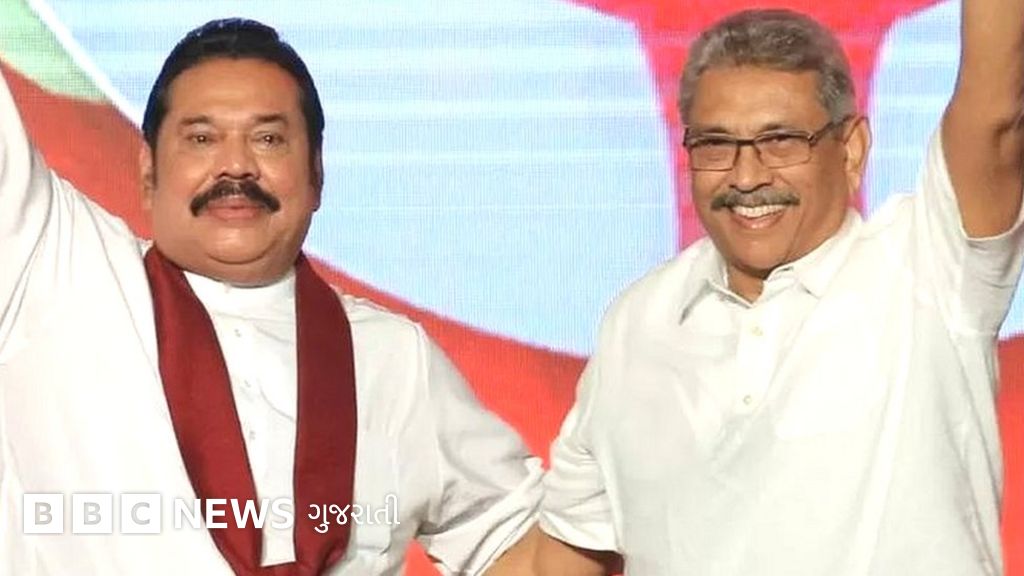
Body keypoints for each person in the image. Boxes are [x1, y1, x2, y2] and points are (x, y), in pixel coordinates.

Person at [0, 18, 542, 576]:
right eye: (202, 138)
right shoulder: (53, 270)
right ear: (147, 171)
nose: (236, 165)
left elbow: (521, 547)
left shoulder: (396, 360)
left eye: (268, 139)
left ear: (317, 174)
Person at [535, 1, 1024, 574]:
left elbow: (995, 116)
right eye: (716, 144)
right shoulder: (637, 323)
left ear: (851, 150)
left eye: (782, 141)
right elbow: (568, 551)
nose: (747, 177)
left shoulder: (927, 270)